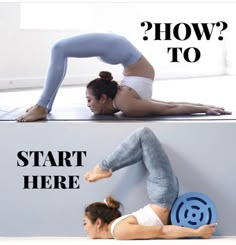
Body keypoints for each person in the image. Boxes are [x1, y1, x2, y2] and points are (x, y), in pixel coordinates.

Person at [16, 33, 230, 122]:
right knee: (59, 49)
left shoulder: (127, 104)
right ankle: (44, 106)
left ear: (104, 99)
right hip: (119, 51)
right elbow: (169, 106)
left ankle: (44, 106)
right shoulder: (125, 102)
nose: (88, 104)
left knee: (59, 49)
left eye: (89, 99)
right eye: (88, 100)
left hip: (119, 51)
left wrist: (204, 107)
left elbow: (169, 107)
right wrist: (204, 106)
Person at [83, 127, 217, 240]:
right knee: (143, 135)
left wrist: (197, 233)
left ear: (98, 222)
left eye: (85, 223)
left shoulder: (119, 230)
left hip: (162, 194)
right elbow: (161, 231)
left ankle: (104, 168)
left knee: (142, 139)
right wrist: (197, 232)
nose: (84, 228)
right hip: (162, 194)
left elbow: (161, 231)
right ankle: (104, 168)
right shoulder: (119, 231)